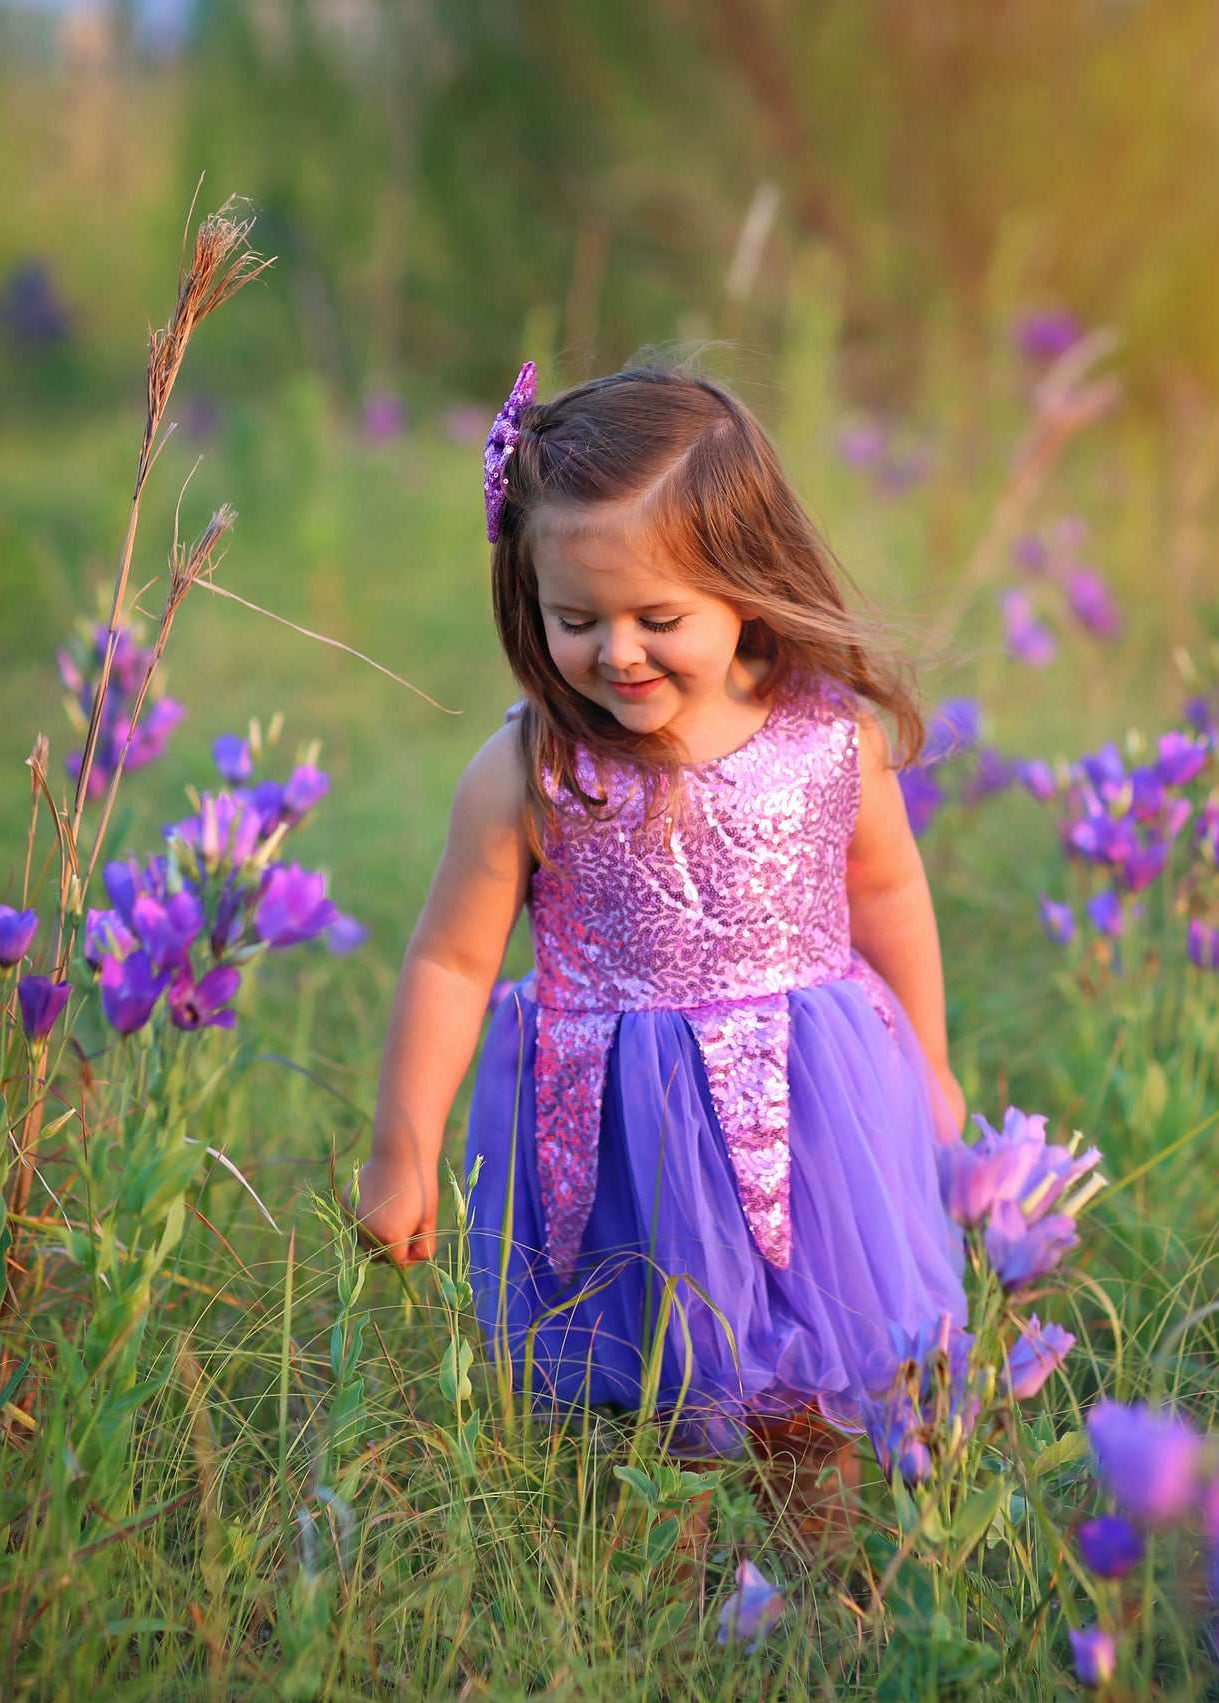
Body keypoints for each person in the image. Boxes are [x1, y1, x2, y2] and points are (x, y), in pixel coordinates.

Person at [353, 361, 968, 1475]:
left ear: (748, 586)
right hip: (612, 1129)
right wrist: (403, 1148)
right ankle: (666, 1569)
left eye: (658, 617)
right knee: (646, 1393)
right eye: (576, 619)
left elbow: (885, 892)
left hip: (811, 1103)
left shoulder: (830, 739)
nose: (616, 652)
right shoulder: (531, 769)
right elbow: (450, 961)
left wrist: (927, 1056)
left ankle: (820, 1580)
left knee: (813, 1371)